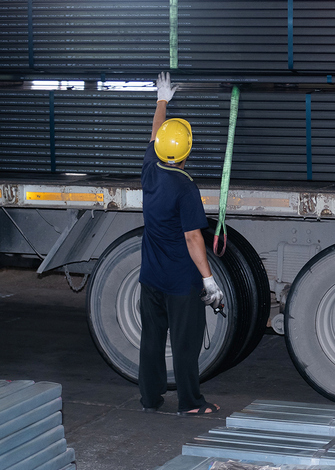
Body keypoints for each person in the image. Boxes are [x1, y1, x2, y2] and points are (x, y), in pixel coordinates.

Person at [138, 71, 225, 416]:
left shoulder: (150, 169)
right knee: (185, 343)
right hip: (179, 282)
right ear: (188, 150)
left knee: (152, 339)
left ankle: (150, 399)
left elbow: (154, 135)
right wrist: (209, 280)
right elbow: (192, 237)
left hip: (151, 277)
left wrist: (162, 100)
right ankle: (190, 402)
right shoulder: (185, 187)